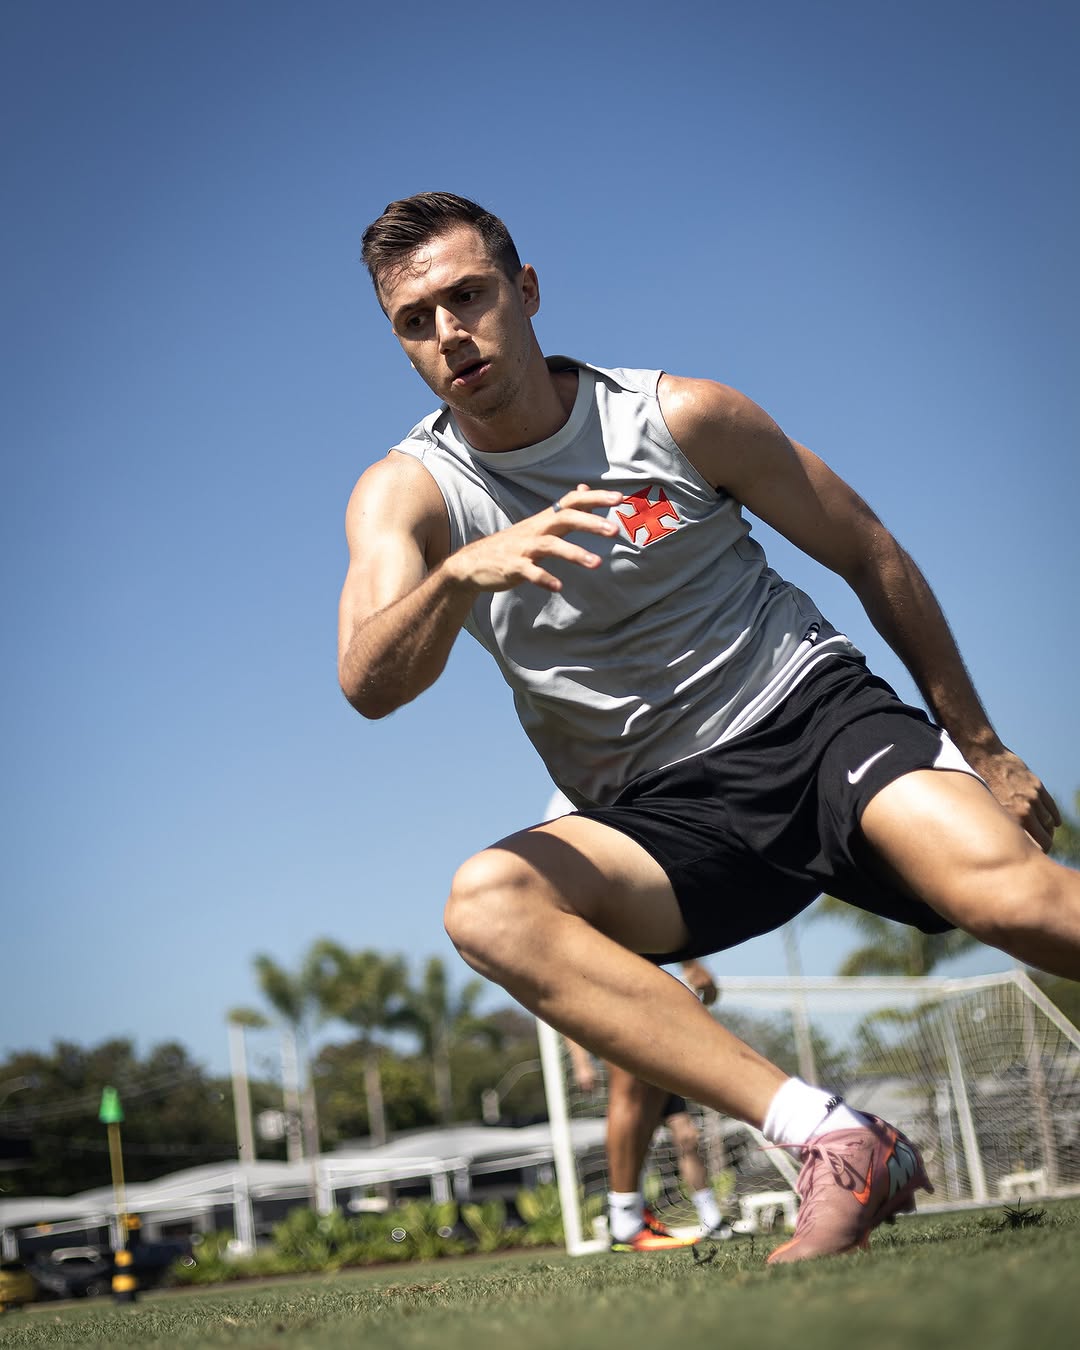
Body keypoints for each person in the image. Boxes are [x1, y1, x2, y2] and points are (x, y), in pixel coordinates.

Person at [338, 192, 1078, 1262]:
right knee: (488, 904)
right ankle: (832, 1139)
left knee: (1008, 899)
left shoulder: (679, 416)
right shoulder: (410, 494)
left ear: (526, 290)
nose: (450, 333)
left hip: (811, 722)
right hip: (661, 816)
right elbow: (368, 682)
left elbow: (867, 548)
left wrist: (985, 745)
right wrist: (456, 578)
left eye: (469, 296)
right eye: (416, 320)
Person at [565, 959, 738, 1253]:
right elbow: (568, 1009)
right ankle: (627, 1221)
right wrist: (581, 1063)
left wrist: (691, 964)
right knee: (636, 1142)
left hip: (654, 1051)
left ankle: (709, 1218)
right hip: (623, 1045)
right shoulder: (585, 966)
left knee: (686, 1137)